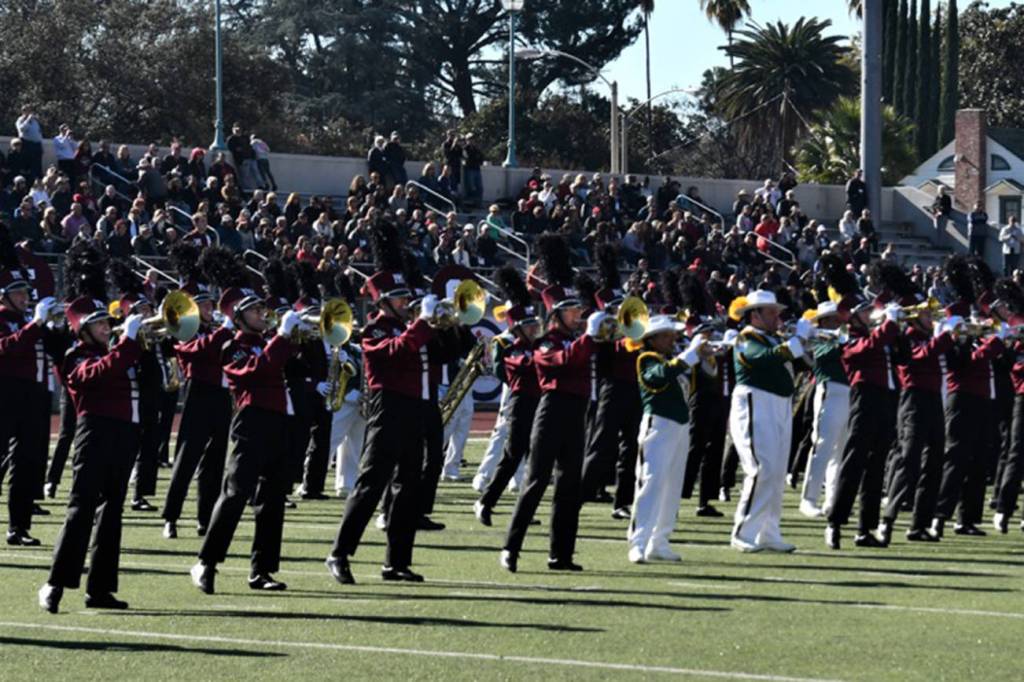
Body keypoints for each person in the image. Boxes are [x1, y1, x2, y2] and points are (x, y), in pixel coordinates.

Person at [325, 264, 438, 585]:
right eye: (399, 298)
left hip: (414, 409)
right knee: (371, 483)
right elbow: (398, 350)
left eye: (407, 298)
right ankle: (339, 553)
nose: (406, 303)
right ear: (382, 302)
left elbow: (443, 351)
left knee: (407, 488)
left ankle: (397, 562)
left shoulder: (414, 327)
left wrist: (444, 326)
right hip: (387, 408)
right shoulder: (373, 331)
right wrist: (423, 322)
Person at [38, 297, 145, 614]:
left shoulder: (123, 352)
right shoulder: (75, 356)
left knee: (112, 512)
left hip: (125, 433)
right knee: (81, 508)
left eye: (107, 323)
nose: (106, 327)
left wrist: (142, 343)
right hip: (94, 433)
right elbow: (94, 375)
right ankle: (55, 584)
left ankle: (100, 588)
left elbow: (151, 381)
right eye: (99, 323)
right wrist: (127, 342)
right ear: (83, 329)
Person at [190, 288, 298, 595]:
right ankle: (206, 562)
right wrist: (282, 337)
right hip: (251, 423)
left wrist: (297, 338)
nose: (262, 314)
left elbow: (297, 366)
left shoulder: (271, 343)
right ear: (238, 318)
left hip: (279, 422)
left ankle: (261, 569)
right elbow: (257, 371)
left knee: (273, 499)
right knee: (236, 494)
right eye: (254, 311)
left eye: (263, 309)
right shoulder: (232, 347)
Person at [499, 278, 606, 573]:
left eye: (578, 309)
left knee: (569, 487)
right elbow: (563, 361)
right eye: (571, 310)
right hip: (552, 412)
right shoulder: (546, 343)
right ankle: (511, 547)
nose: (578, 315)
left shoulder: (582, 339)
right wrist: (590, 337)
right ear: (556, 314)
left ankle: (561, 554)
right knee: (535, 483)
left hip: (577, 415)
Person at [728, 290, 810, 553]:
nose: (778, 317)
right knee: (760, 467)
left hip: (780, 404)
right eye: (772, 312)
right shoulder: (746, 338)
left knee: (776, 472)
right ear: (755, 315)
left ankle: (768, 531)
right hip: (756, 402)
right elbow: (763, 358)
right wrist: (798, 339)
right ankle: (743, 531)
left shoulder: (773, 338)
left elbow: (798, 363)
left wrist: (806, 344)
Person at [629, 316, 711, 563]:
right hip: (658, 425)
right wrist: (689, 354)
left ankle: (660, 541)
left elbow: (695, 386)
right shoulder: (646, 359)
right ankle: (638, 542)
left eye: (671, 335)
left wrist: (706, 357)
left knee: (672, 486)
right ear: (651, 339)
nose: (671, 339)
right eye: (665, 335)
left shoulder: (672, 359)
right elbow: (659, 376)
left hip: (680, 426)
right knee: (651, 483)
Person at [824, 293, 902, 550]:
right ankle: (834, 523)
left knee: (876, 465)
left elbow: (904, 358)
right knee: (854, 461)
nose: (872, 314)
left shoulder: (881, 334)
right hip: (865, 397)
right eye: (866, 311)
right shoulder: (849, 337)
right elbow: (865, 349)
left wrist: (898, 329)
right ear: (855, 316)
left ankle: (865, 528)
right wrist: (889, 324)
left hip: (888, 398)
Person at [878, 300, 954, 543]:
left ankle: (919, 525)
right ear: (913, 317)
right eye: (925, 313)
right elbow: (916, 358)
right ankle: (887, 518)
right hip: (913, 400)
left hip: (933, 399)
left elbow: (953, 362)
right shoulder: (907, 336)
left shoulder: (931, 336)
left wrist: (955, 337)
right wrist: (942, 337)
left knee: (934, 462)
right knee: (909, 460)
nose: (931, 316)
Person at [161, 284, 232, 539]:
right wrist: (226, 331)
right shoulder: (186, 331)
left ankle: (205, 518)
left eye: (210, 305)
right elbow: (201, 349)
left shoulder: (219, 331)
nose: (209, 309)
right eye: (203, 305)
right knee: (186, 458)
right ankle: (170, 517)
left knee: (215, 461)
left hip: (223, 396)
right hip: (199, 393)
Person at [473, 267, 540, 526]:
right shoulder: (507, 344)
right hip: (516, 399)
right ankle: (486, 499)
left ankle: (524, 508)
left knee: (534, 459)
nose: (536, 329)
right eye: (530, 326)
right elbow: (505, 369)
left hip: (537, 403)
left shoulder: (537, 344)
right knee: (513, 454)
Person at [0, 266, 60, 547]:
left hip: (33, 396)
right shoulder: (4, 319)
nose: (26, 297)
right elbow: (7, 348)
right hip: (5, 394)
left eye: (26, 291)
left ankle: (18, 527)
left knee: (25, 465)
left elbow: (57, 351)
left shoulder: (29, 321)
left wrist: (58, 328)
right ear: (5, 296)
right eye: (19, 292)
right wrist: (35, 324)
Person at [798, 302, 849, 518]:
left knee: (841, 451)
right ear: (824, 321)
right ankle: (808, 499)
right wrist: (840, 337)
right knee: (822, 446)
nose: (839, 321)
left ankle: (832, 499)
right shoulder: (817, 337)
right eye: (834, 318)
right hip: (830, 391)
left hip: (849, 393)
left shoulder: (840, 336)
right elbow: (824, 355)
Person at [16, 105, 44, 182]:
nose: (29, 112)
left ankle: (37, 182)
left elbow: (38, 132)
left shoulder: (35, 121)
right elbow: (22, 129)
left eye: (30, 111)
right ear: (23, 112)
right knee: (29, 168)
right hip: (28, 145)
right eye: (27, 111)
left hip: (37, 146)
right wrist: (28, 120)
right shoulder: (20, 120)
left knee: (38, 168)